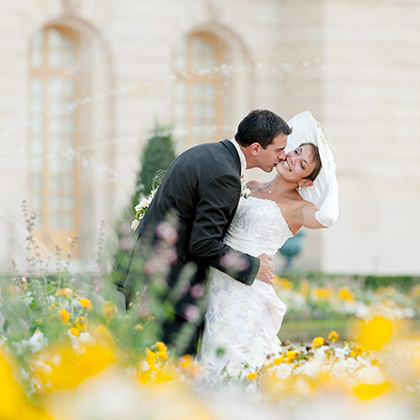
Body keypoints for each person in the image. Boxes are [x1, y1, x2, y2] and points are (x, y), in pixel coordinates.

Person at [113, 109, 293, 356]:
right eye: (278, 150)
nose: (282, 157)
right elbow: (203, 243)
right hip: (167, 292)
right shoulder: (225, 175)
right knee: (168, 379)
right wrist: (253, 266)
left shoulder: (207, 153)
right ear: (255, 148)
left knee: (147, 373)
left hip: (147, 278)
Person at [199, 111, 339, 375]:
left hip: (247, 290)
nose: (293, 159)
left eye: (302, 165)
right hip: (216, 277)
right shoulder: (249, 185)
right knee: (207, 357)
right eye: (296, 152)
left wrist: (331, 176)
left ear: (306, 180)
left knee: (233, 360)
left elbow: (329, 217)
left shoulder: (299, 208)